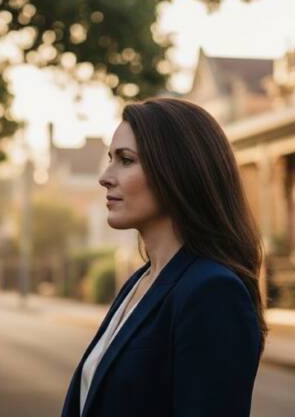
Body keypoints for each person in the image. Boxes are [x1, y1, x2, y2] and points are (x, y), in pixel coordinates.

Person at [60, 98, 266, 417]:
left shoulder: (212, 292)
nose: (105, 177)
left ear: (177, 171)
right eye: (110, 159)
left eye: (126, 160)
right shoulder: (140, 282)